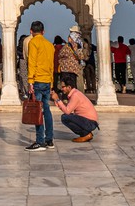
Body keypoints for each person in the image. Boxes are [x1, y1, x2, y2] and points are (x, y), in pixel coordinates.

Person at [25, 21, 56, 151]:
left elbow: (32, 62)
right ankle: (49, 140)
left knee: (38, 110)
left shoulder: (33, 42)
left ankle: (40, 141)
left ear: (31, 31)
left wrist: (30, 81)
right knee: (46, 110)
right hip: (47, 81)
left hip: (37, 80)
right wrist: (51, 83)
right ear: (43, 32)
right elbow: (51, 66)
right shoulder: (50, 45)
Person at [52, 72, 99, 142]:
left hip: (90, 123)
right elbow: (68, 109)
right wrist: (57, 101)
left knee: (65, 117)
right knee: (67, 116)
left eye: (63, 87)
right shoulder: (74, 93)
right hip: (88, 122)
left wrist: (57, 99)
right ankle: (85, 134)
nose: (62, 89)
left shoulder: (75, 95)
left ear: (69, 87)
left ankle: (86, 134)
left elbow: (67, 111)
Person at [16, 34, 31, 100]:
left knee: (23, 76)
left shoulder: (21, 44)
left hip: (22, 59)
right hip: (28, 59)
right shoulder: (28, 42)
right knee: (26, 77)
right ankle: (28, 92)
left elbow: (19, 51)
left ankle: (26, 92)